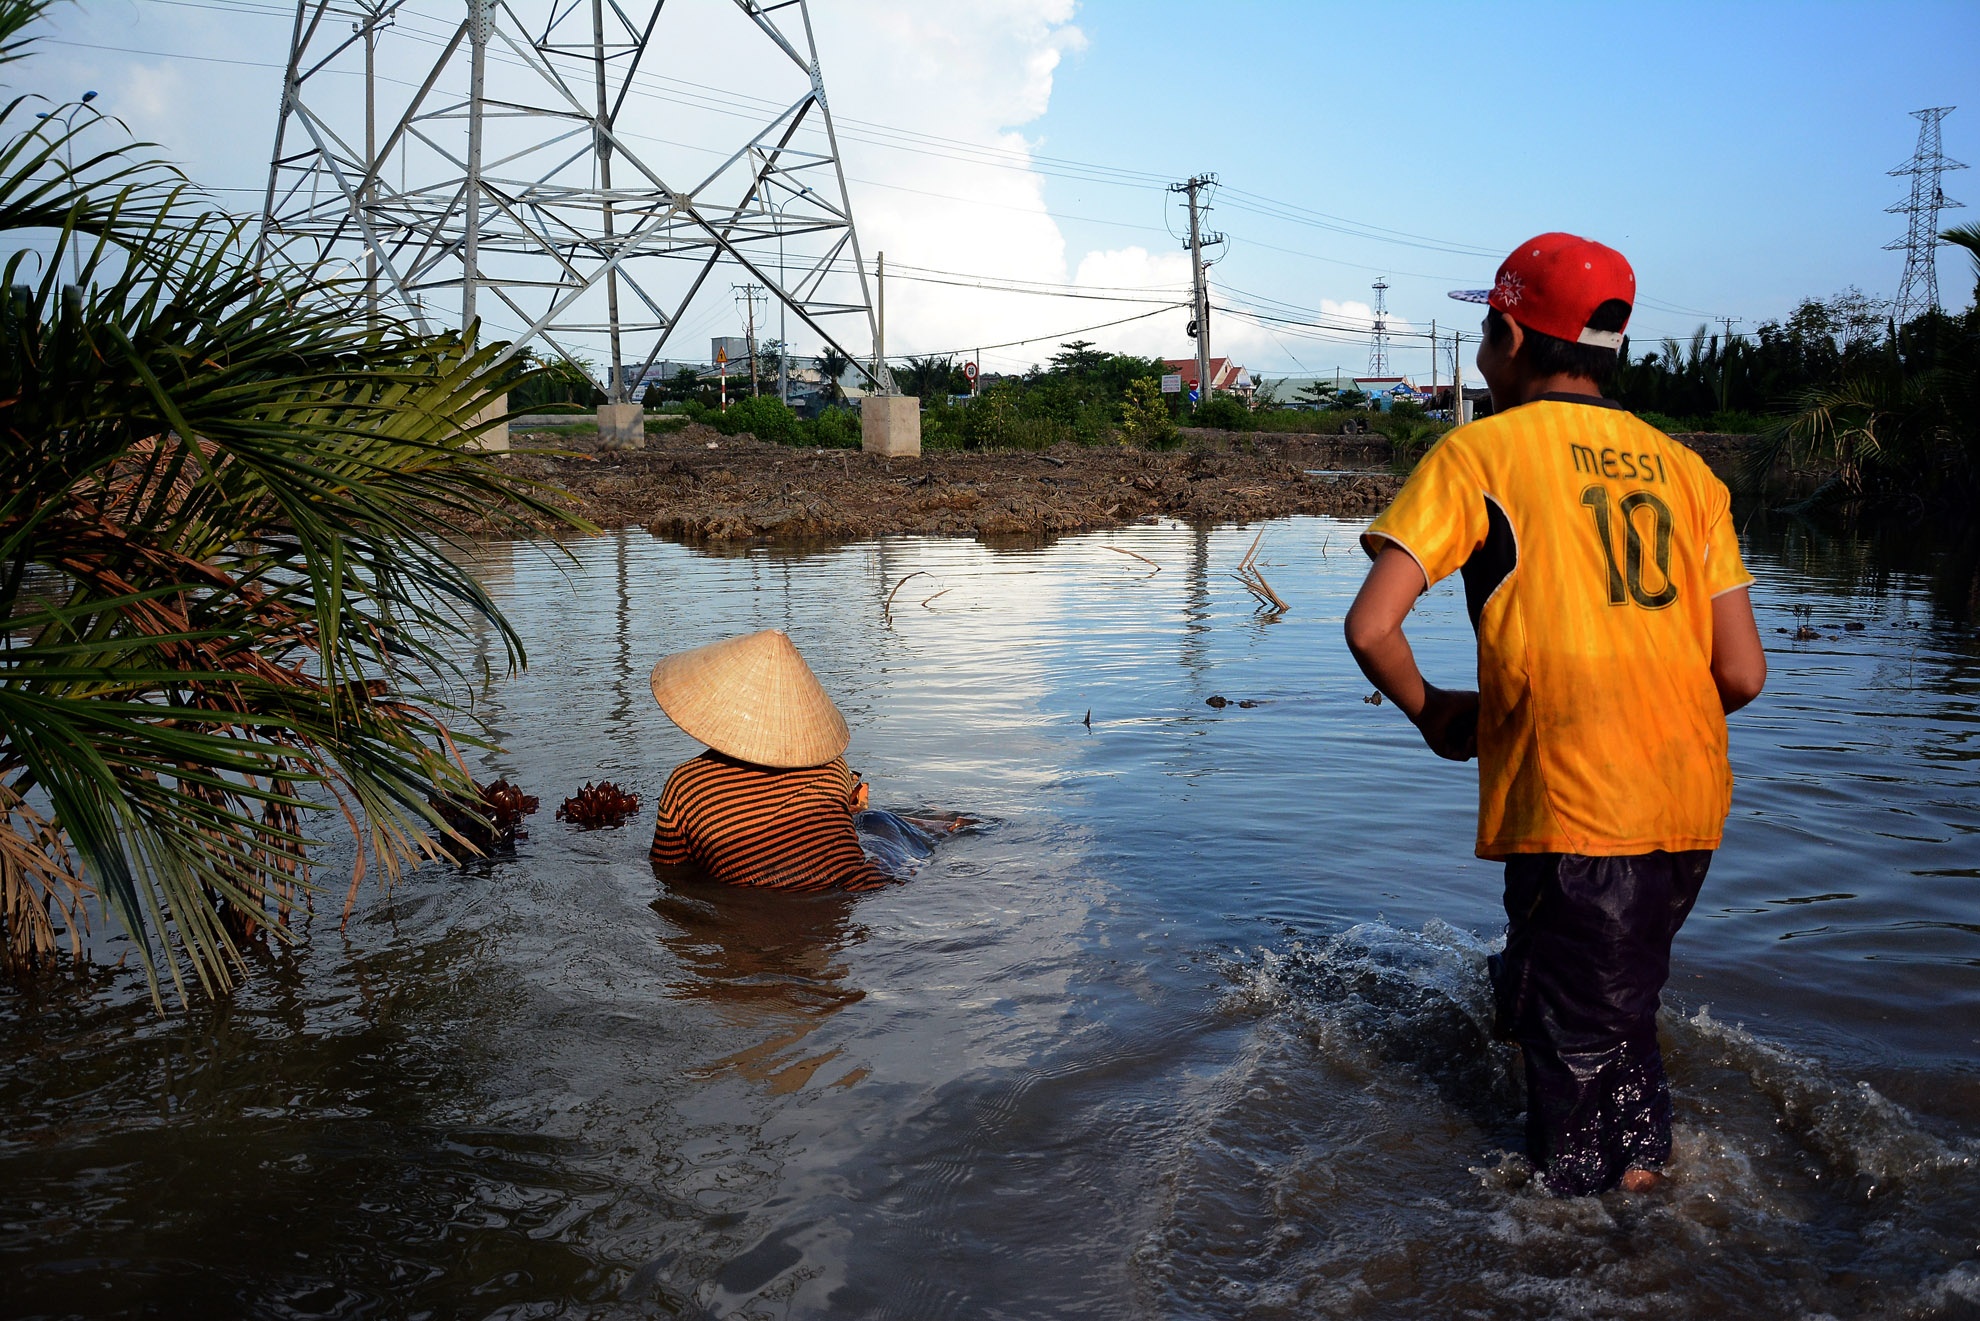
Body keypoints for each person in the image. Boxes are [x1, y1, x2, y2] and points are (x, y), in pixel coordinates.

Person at [1342, 233, 1768, 1197]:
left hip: (1577, 797)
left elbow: (1372, 626)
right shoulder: (1687, 472)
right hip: (1688, 800)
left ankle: (1601, 1251)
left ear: (1505, 335)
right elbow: (1740, 673)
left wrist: (1436, 713)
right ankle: (1633, 1187)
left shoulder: (1478, 451)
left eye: (1487, 332)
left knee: (1575, 1075)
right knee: (1603, 1009)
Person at [649, 629, 893, 892]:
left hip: (758, 911)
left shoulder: (687, 784)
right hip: (859, 893)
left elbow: (668, 870)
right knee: (882, 828)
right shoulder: (833, 766)